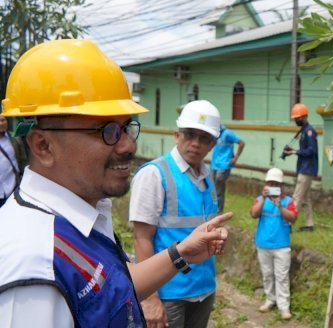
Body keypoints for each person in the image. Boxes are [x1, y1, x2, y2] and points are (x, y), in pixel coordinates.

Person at [0, 39, 232, 327]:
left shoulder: (83, 215)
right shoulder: (34, 270)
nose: (127, 146)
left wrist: (180, 253)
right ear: (44, 145)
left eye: (125, 127)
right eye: (106, 130)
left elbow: (110, 291)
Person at [129, 100, 223, 328]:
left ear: (213, 144)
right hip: (168, 292)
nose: (195, 144)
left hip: (203, 289)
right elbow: (141, 238)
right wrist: (149, 298)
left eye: (204, 138)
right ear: (176, 135)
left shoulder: (207, 175)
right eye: (189, 134)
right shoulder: (154, 174)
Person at [250, 168, 298, 320]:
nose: (272, 185)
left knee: (282, 277)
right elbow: (253, 214)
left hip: (282, 245)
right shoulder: (260, 199)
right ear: (266, 184)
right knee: (267, 275)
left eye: (275, 183)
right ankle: (270, 300)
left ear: (281, 185)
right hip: (263, 244)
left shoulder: (288, 201)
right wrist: (264, 199)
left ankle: (284, 307)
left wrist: (280, 206)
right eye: (270, 183)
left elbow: (292, 218)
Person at [283, 103, 317, 232]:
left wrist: (295, 152)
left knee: (297, 197)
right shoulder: (303, 131)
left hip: (307, 169)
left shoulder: (309, 131)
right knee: (306, 199)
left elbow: (311, 150)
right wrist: (293, 151)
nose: (296, 120)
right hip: (304, 167)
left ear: (304, 117)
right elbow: (304, 149)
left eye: (297, 118)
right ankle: (309, 225)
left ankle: (288, 225)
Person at [211, 124, 245, 212]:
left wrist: (236, 157)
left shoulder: (227, 133)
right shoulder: (214, 134)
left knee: (219, 186)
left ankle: (219, 210)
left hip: (225, 164)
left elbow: (242, 143)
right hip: (214, 164)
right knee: (212, 187)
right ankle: (212, 208)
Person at [0, 115, 27, 206]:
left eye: (3, 120)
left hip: (14, 189)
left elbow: (23, 161)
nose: (1, 123)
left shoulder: (15, 139)